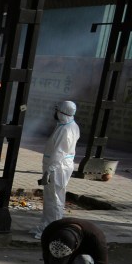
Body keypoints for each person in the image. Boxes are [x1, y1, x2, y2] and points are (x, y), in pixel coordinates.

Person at [33, 100, 80, 239]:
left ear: (62, 112)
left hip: (58, 168)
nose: (55, 113)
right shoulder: (66, 126)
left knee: (55, 199)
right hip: (56, 166)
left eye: (57, 110)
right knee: (50, 198)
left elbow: (59, 152)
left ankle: (53, 230)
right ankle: (45, 225)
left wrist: (50, 170)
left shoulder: (66, 130)